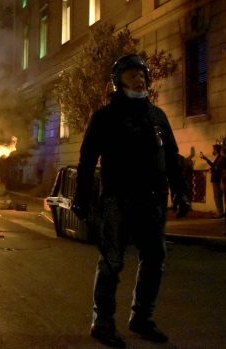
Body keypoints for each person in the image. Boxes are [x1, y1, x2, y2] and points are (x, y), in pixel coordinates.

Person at [71, 54, 190, 348]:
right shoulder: (105, 116)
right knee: (112, 262)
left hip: (153, 200)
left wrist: (181, 191)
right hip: (118, 200)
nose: (139, 78)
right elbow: (87, 160)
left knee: (154, 260)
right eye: (132, 74)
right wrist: (82, 197)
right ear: (118, 80)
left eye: (142, 74)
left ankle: (142, 318)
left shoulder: (157, 116)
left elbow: (172, 158)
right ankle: (102, 323)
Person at [200, 144, 224, 218]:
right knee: (218, 196)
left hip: (217, 179)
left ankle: (220, 213)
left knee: (217, 196)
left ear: (216, 150)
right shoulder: (219, 157)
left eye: (213, 149)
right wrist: (205, 159)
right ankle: (220, 212)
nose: (212, 151)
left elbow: (216, 167)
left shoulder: (221, 157)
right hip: (217, 178)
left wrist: (212, 169)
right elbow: (214, 166)